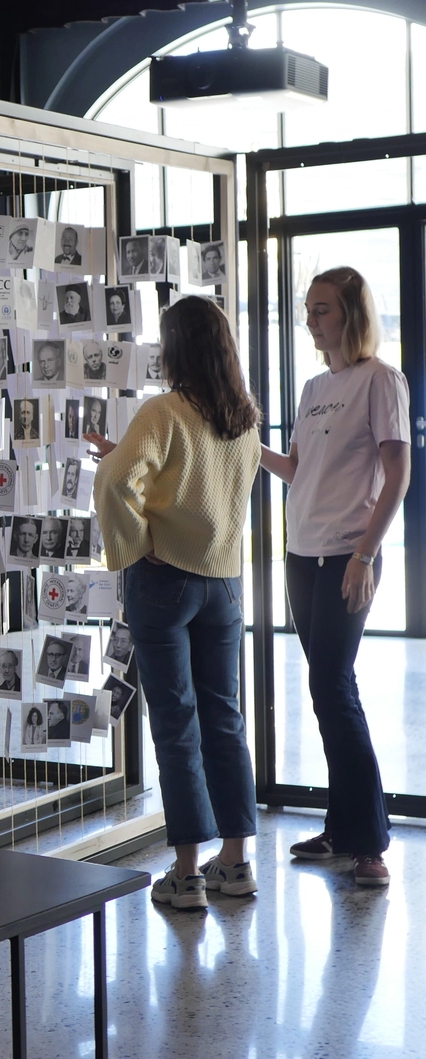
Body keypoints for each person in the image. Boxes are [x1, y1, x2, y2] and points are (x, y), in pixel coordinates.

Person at [89, 294, 260, 910]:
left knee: (176, 727)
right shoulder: (244, 417)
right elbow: (205, 490)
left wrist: (137, 546)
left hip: (166, 585)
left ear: (176, 348)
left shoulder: (163, 411)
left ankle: (186, 873)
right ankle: (236, 863)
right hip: (225, 585)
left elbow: (115, 484)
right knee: (225, 719)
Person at [258, 267, 410, 888]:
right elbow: (298, 469)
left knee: (332, 687)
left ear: (351, 313)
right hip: (302, 554)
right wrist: (246, 446)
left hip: (349, 554)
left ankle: (370, 842)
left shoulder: (381, 380)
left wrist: (366, 555)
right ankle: (342, 827)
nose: (310, 320)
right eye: (307, 309)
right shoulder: (316, 385)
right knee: (328, 692)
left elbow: (396, 474)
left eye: (321, 310)